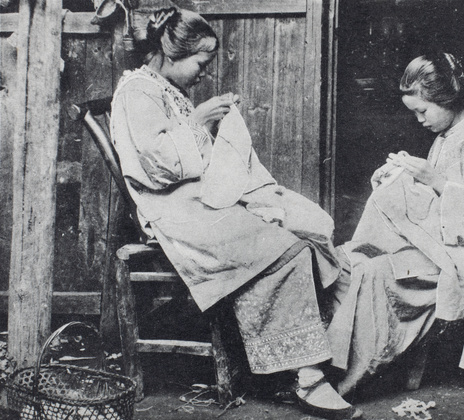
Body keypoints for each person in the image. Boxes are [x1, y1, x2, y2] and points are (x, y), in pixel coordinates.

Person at [110, 7, 356, 419]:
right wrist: (197, 121)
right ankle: (305, 376)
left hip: (197, 201)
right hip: (175, 212)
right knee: (284, 248)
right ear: (172, 53)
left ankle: (288, 367)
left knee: (294, 222)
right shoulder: (137, 92)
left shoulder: (164, 87)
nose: (204, 72)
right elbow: (158, 169)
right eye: (201, 62)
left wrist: (219, 136)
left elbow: (196, 158)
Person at [326, 52, 464, 397]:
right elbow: (434, 204)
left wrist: (435, 182)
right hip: (449, 248)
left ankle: (348, 380)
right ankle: (334, 368)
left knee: (375, 275)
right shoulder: (447, 137)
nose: (419, 119)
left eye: (423, 110)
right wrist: (398, 179)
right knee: (355, 264)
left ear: (448, 99)